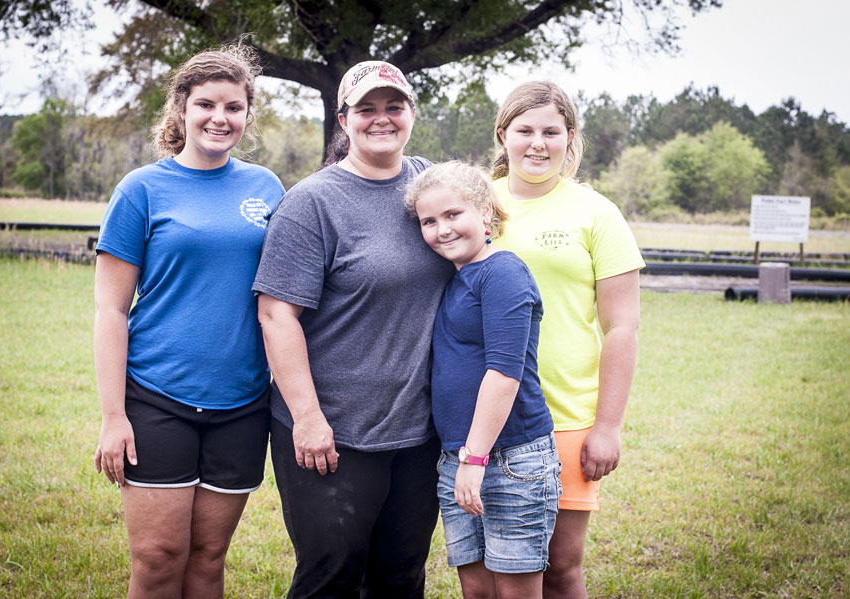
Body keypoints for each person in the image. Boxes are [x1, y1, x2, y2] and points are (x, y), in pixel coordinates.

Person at [252, 60, 456, 598]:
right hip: (335, 433)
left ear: (412, 113)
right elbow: (277, 316)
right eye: (367, 109)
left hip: (418, 430)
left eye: (394, 107)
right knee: (331, 576)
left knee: (401, 576)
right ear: (344, 120)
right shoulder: (311, 203)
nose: (381, 119)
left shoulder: (432, 186)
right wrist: (308, 418)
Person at [92, 44, 284, 599]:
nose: (219, 118)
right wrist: (112, 416)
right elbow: (110, 309)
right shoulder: (141, 190)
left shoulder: (266, 189)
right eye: (205, 105)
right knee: (158, 559)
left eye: (233, 107)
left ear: (248, 115)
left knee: (207, 558)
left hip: (243, 403)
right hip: (156, 397)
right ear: (181, 109)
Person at [490, 81, 645, 599]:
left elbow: (621, 326)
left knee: (559, 568)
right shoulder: (472, 205)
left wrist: (608, 426)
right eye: (525, 130)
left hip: (566, 419)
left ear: (570, 137)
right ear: (503, 135)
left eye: (551, 131)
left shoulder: (596, 213)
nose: (538, 143)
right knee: (491, 574)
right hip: (479, 416)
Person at [404, 161, 560, 599]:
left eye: (453, 214)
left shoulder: (503, 272)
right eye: (429, 221)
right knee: (477, 592)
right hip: (457, 459)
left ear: (485, 213)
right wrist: (462, 461)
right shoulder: (454, 279)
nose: (442, 229)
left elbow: (504, 372)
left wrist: (475, 460)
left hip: (511, 460)